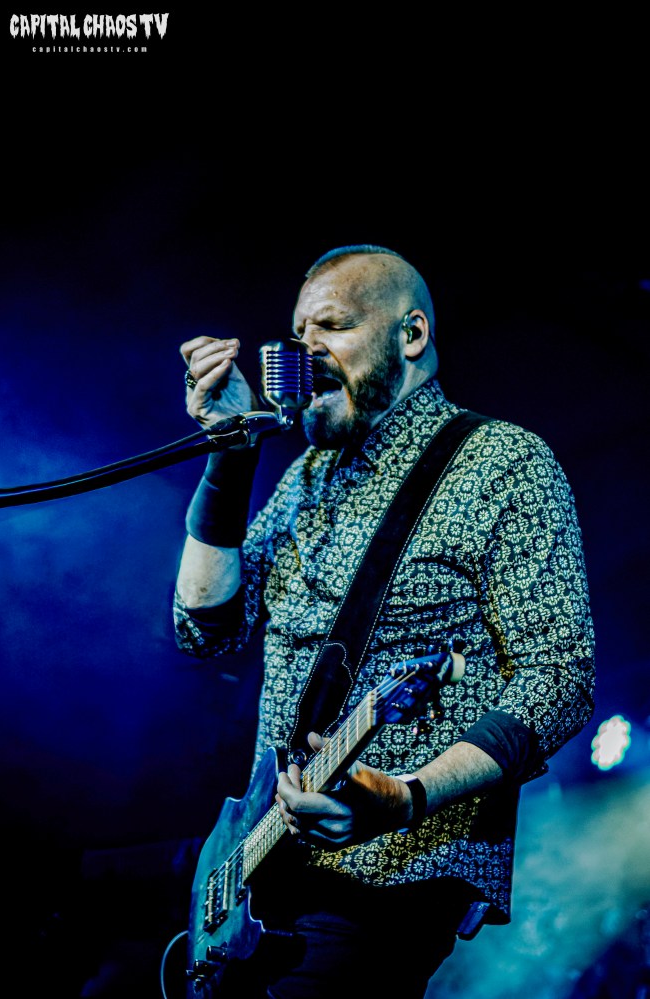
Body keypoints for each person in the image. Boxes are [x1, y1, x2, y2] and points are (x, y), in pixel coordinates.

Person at [172, 245, 596, 999]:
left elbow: (559, 675)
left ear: (411, 334)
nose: (306, 351)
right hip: (262, 866)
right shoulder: (304, 480)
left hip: (392, 874)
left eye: (331, 326)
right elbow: (205, 627)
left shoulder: (502, 462)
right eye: (297, 334)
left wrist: (406, 795)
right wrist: (228, 460)